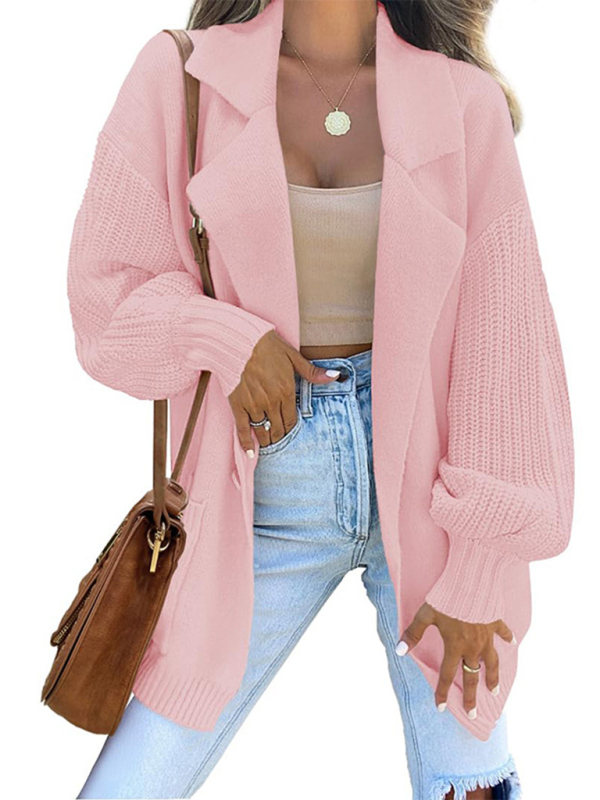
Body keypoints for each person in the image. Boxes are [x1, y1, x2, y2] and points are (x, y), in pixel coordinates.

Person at [68, 0, 574, 797]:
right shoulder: (181, 76)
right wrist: (226, 339)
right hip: (256, 490)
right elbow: (105, 304)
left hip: (436, 499)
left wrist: (479, 571)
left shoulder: (461, 102)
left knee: (471, 785)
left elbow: (504, 344)